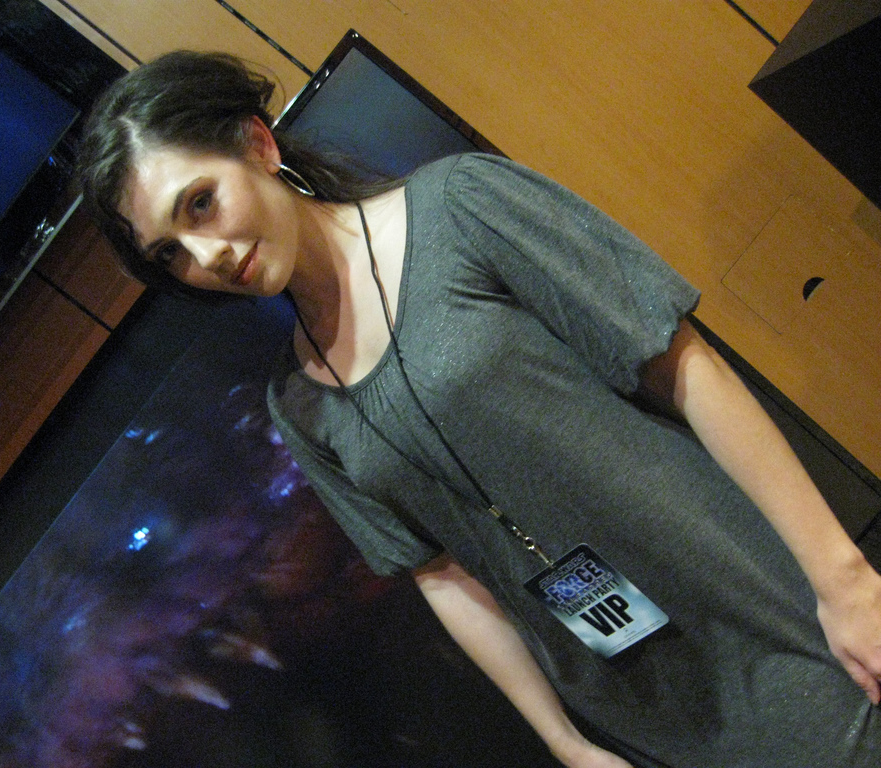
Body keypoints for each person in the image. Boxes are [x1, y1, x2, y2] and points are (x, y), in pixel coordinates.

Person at [75, 51, 881, 767]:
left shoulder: (462, 207)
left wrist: (842, 578)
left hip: (757, 602)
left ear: (257, 145)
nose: (207, 255)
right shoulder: (298, 405)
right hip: (636, 695)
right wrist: (568, 745)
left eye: (200, 204)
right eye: (171, 253)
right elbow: (442, 574)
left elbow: (684, 369)